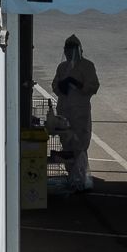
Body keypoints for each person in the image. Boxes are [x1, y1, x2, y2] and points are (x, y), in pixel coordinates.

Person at [51, 34, 100, 193]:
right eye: (67, 50)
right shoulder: (62, 67)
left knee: (80, 145)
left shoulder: (87, 66)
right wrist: (63, 85)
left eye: (72, 49)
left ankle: (80, 179)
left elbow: (93, 86)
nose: (69, 53)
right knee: (67, 145)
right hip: (65, 112)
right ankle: (72, 177)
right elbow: (55, 86)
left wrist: (77, 83)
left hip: (80, 112)